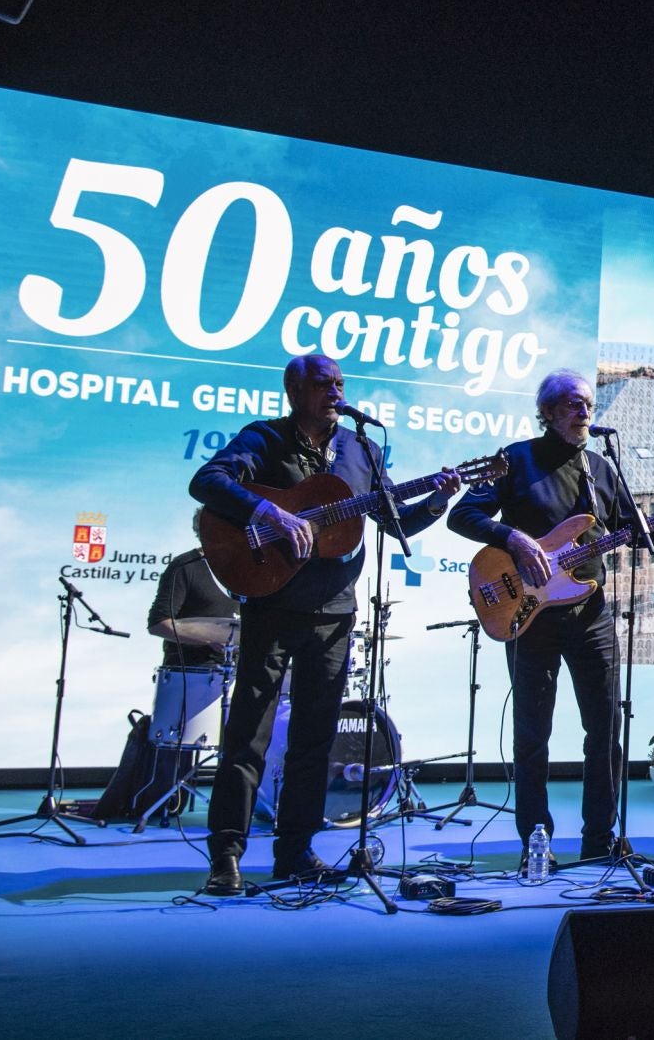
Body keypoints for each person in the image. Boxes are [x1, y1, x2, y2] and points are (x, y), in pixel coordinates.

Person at [191, 354, 461, 895]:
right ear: (294, 389)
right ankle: (226, 855)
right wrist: (267, 513)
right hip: (272, 605)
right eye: (323, 384)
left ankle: (295, 851)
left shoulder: (362, 449)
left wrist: (437, 500)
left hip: (335, 611)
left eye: (340, 384)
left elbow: (392, 517)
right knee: (248, 735)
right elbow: (207, 480)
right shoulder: (263, 439)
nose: (335, 392)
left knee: (315, 740)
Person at [449, 368, 654, 866]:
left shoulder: (601, 468)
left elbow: (633, 532)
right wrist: (514, 539)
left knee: (606, 729)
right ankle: (535, 841)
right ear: (547, 412)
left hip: (591, 615)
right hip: (529, 616)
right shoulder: (515, 460)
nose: (584, 410)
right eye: (571, 403)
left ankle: (599, 840)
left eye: (587, 403)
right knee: (532, 735)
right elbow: (463, 515)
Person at [145, 510, 239, 669]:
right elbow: (158, 624)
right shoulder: (185, 566)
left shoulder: (245, 570)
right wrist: (209, 640)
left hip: (239, 670)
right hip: (192, 670)